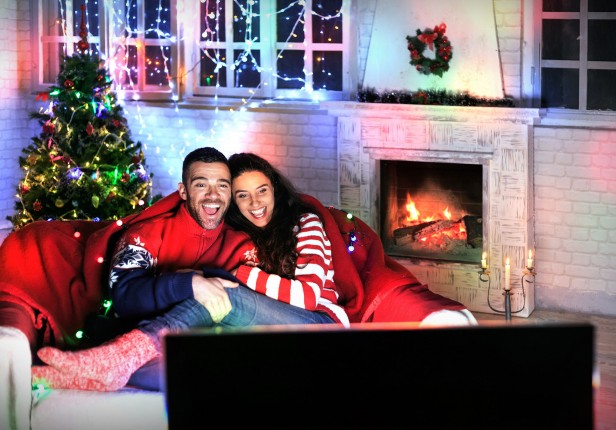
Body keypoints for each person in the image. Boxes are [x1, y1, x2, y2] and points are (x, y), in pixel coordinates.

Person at [31, 149, 348, 391]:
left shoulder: (301, 224)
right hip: (268, 337)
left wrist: (221, 277)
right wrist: (193, 282)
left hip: (321, 328)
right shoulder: (151, 233)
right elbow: (125, 296)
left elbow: (301, 296)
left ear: (274, 190)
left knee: (223, 294)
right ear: (184, 191)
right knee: (194, 359)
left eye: (261, 190)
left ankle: (120, 354)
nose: (254, 202)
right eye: (242, 194)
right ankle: (97, 369)